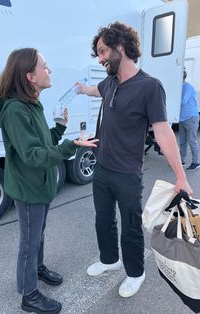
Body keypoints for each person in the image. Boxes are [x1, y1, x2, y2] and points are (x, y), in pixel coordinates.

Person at [77, 22, 192, 298]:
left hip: (127, 173)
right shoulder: (110, 82)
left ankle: (135, 273)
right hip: (102, 168)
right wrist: (82, 88)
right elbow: (97, 91)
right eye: (98, 54)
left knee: (130, 225)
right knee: (103, 220)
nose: (101, 58)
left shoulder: (150, 87)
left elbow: (163, 133)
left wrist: (181, 176)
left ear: (121, 47)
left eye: (103, 51)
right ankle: (109, 260)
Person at [0, 48, 98, 314]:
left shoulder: (31, 104)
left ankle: (37, 269)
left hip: (39, 186)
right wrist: (71, 144)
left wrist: (58, 129)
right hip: (28, 187)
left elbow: (41, 142)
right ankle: (29, 295)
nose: (49, 71)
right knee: (29, 241)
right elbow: (32, 155)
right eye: (45, 67)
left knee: (39, 235)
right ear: (30, 76)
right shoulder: (15, 110)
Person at [179, 68, 200, 171]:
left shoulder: (187, 87)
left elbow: (183, 101)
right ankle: (182, 160)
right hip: (182, 119)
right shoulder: (178, 87)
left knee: (192, 141)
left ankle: (196, 162)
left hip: (191, 118)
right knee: (182, 141)